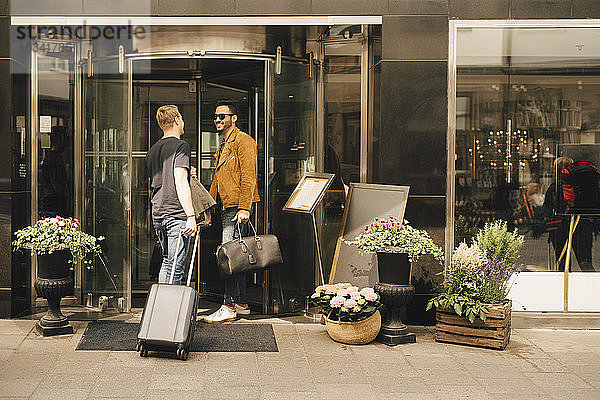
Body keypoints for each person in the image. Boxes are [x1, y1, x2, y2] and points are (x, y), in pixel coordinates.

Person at [203, 99, 260, 323]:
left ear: (233, 119)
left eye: (222, 116)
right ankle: (242, 303)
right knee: (236, 256)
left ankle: (228, 306)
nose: (217, 120)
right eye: (216, 116)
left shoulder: (244, 141)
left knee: (228, 256)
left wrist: (245, 207)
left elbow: (249, 176)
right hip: (228, 207)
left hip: (238, 207)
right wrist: (208, 207)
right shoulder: (224, 144)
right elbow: (218, 178)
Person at [145, 105, 197, 285]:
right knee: (175, 266)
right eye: (181, 119)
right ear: (176, 120)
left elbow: (159, 180)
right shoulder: (181, 146)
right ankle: (170, 310)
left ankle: (163, 307)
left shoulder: (153, 150)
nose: (183, 123)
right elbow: (179, 181)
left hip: (158, 212)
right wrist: (191, 215)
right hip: (176, 213)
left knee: (167, 262)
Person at [543, 156, 595, 272]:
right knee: (585, 262)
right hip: (582, 226)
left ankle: (564, 288)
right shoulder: (582, 188)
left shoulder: (554, 188)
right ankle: (592, 286)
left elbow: (547, 208)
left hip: (559, 228)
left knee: (562, 264)